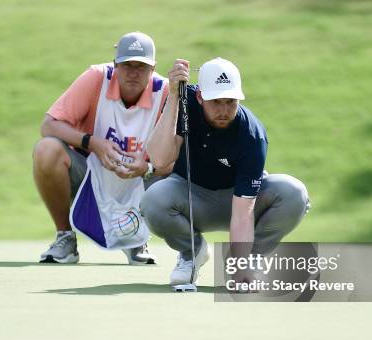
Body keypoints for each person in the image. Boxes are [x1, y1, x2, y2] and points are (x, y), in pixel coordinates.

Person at [142, 57, 310, 285]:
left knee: (293, 192)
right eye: (216, 101)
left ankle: (249, 260)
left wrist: (238, 268)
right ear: (200, 97)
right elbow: (160, 160)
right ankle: (193, 252)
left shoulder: (251, 134)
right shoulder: (184, 102)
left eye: (230, 101)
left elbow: (243, 212)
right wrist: (172, 95)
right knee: (153, 198)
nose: (223, 110)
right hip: (192, 197)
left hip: (238, 202)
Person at [33, 32, 169, 264]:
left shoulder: (166, 92)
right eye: (127, 65)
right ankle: (65, 237)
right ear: (116, 64)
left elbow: (178, 154)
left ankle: (136, 240)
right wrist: (92, 143)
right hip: (88, 171)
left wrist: (147, 167)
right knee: (46, 150)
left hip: (141, 178)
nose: (134, 72)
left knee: (181, 171)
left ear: (153, 68)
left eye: (141, 66)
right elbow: (49, 126)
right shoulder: (96, 78)